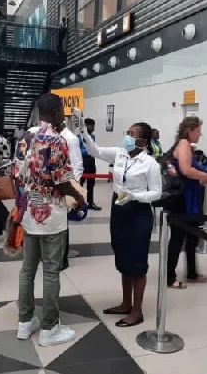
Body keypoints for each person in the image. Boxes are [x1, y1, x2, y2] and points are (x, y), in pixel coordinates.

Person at [13, 93, 85, 346]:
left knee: (27, 269)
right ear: (55, 112)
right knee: (51, 271)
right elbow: (61, 179)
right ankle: (49, 328)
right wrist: (79, 197)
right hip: (52, 214)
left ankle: (25, 322)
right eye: (62, 112)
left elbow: (17, 174)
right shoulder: (56, 139)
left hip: (30, 212)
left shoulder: (25, 137)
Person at [79, 117, 162, 327]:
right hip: (119, 208)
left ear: (143, 142)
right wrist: (83, 132)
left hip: (138, 211)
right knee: (123, 256)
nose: (127, 137)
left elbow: (156, 193)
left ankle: (137, 310)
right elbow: (94, 151)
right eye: (127, 133)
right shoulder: (120, 153)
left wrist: (136, 196)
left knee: (137, 261)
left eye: (132, 134)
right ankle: (126, 303)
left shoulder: (150, 163)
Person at [166, 117, 207, 289]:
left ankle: (192, 273)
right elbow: (186, 170)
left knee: (192, 236)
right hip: (183, 200)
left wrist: (200, 178)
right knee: (178, 238)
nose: (200, 134)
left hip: (190, 199)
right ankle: (169, 277)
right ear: (190, 131)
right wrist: (206, 177)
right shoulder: (184, 144)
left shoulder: (184, 145)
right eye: (198, 130)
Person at [60, 120, 84, 265]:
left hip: (67, 186)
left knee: (63, 220)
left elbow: (77, 166)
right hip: (51, 189)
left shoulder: (70, 139)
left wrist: (73, 191)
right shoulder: (47, 136)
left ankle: (64, 252)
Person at [79, 118, 101, 211]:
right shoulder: (79, 136)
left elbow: (93, 148)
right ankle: (79, 203)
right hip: (83, 160)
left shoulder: (92, 136)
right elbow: (79, 150)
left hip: (91, 160)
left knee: (91, 183)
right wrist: (89, 151)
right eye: (91, 126)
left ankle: (90, 202)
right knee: (80, 183)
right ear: (87, 126)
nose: (93, 128)